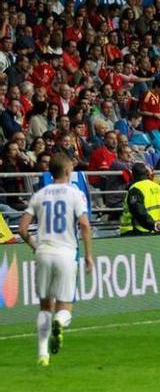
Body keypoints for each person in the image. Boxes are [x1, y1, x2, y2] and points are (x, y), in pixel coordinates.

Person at [18, 153, 94, 367]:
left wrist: (36, 246)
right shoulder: (75, 193)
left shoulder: (40, 194)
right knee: (64, 306)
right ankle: (59, 323)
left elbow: (22, 229)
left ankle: (43, 355)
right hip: (66, 252)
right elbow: (85, 225)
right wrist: (88, 255)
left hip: (43, 252)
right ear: (68, 171)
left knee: (44, 305)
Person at [120, 163, 160, 236]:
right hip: (158, 229)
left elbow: (138, 211)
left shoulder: (135, 188)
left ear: (133, 174)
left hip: (138, 231)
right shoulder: (158, 187)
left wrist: (152, 225)